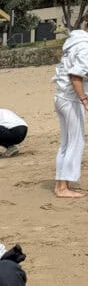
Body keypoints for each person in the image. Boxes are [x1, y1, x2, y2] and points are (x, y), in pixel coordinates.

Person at [53, 27, 88, 198]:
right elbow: (76, 75)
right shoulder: (84, 46)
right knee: (76, 142)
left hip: (61, 96)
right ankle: (62, 188)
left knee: (67, 143)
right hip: (71, 99)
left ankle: (61, 184)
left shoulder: (74, 42)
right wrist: (84, 100)